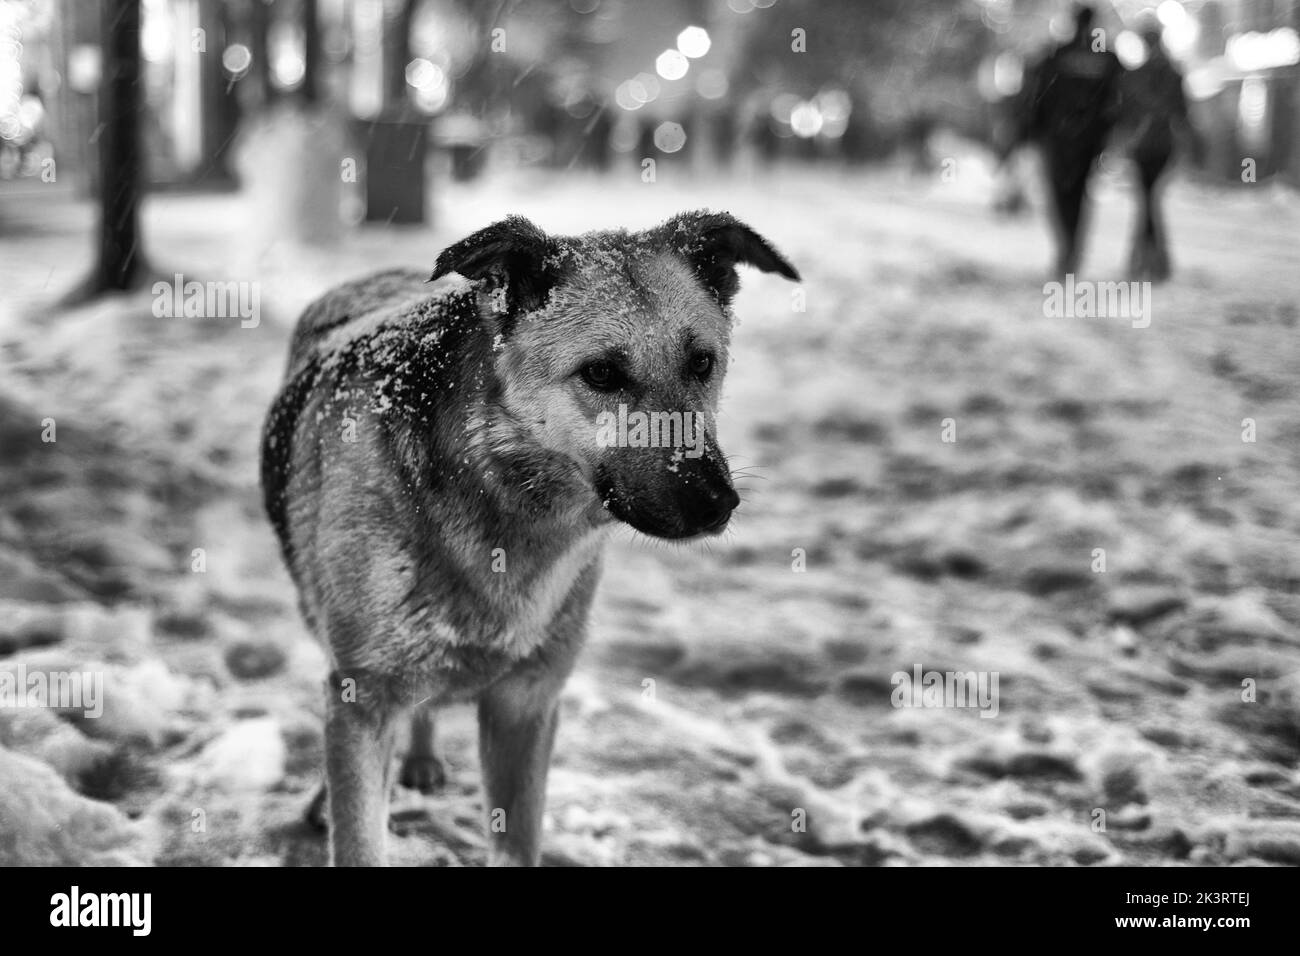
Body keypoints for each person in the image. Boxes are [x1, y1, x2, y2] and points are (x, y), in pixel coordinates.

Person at [1016, 4, 1124, 276]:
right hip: (1088, 140)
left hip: (1060, 138)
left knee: (1060, 194)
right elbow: (1117, 100)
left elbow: (1036, 95)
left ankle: (1067, 250)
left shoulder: (1057, 55)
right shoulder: (1106, 58)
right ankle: (1071, 250)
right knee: (1078, 194)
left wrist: (1029, 130)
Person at [1119, 18, 1203, 281]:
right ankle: (1152, 263)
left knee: (1148, 203)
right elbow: (1182, 114)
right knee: (1149, 203)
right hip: (1155, 146)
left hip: (1148, 146)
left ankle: (1145, 262)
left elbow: (1127, 115)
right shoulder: (1167, 74)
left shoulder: (1137, 76)